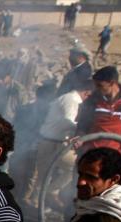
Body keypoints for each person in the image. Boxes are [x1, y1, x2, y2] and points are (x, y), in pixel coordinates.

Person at [22, 78, 92, 209]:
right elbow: (68, 122)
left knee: (65, 169)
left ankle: (47, 194)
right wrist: (83, 131)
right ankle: (38, 201)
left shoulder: (71, 99)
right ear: (87, 93)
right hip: (51, 141)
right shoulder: (71, 100)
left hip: (57, 141)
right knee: (47, 173)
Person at [75, 66, 121, 153]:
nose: (96, 88)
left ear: (112, 83)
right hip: (91, 151)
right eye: (95, 85)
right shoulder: (92, 100)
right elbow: (83, 122)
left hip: (116, 152)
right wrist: (79, 136)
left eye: (100, 85)